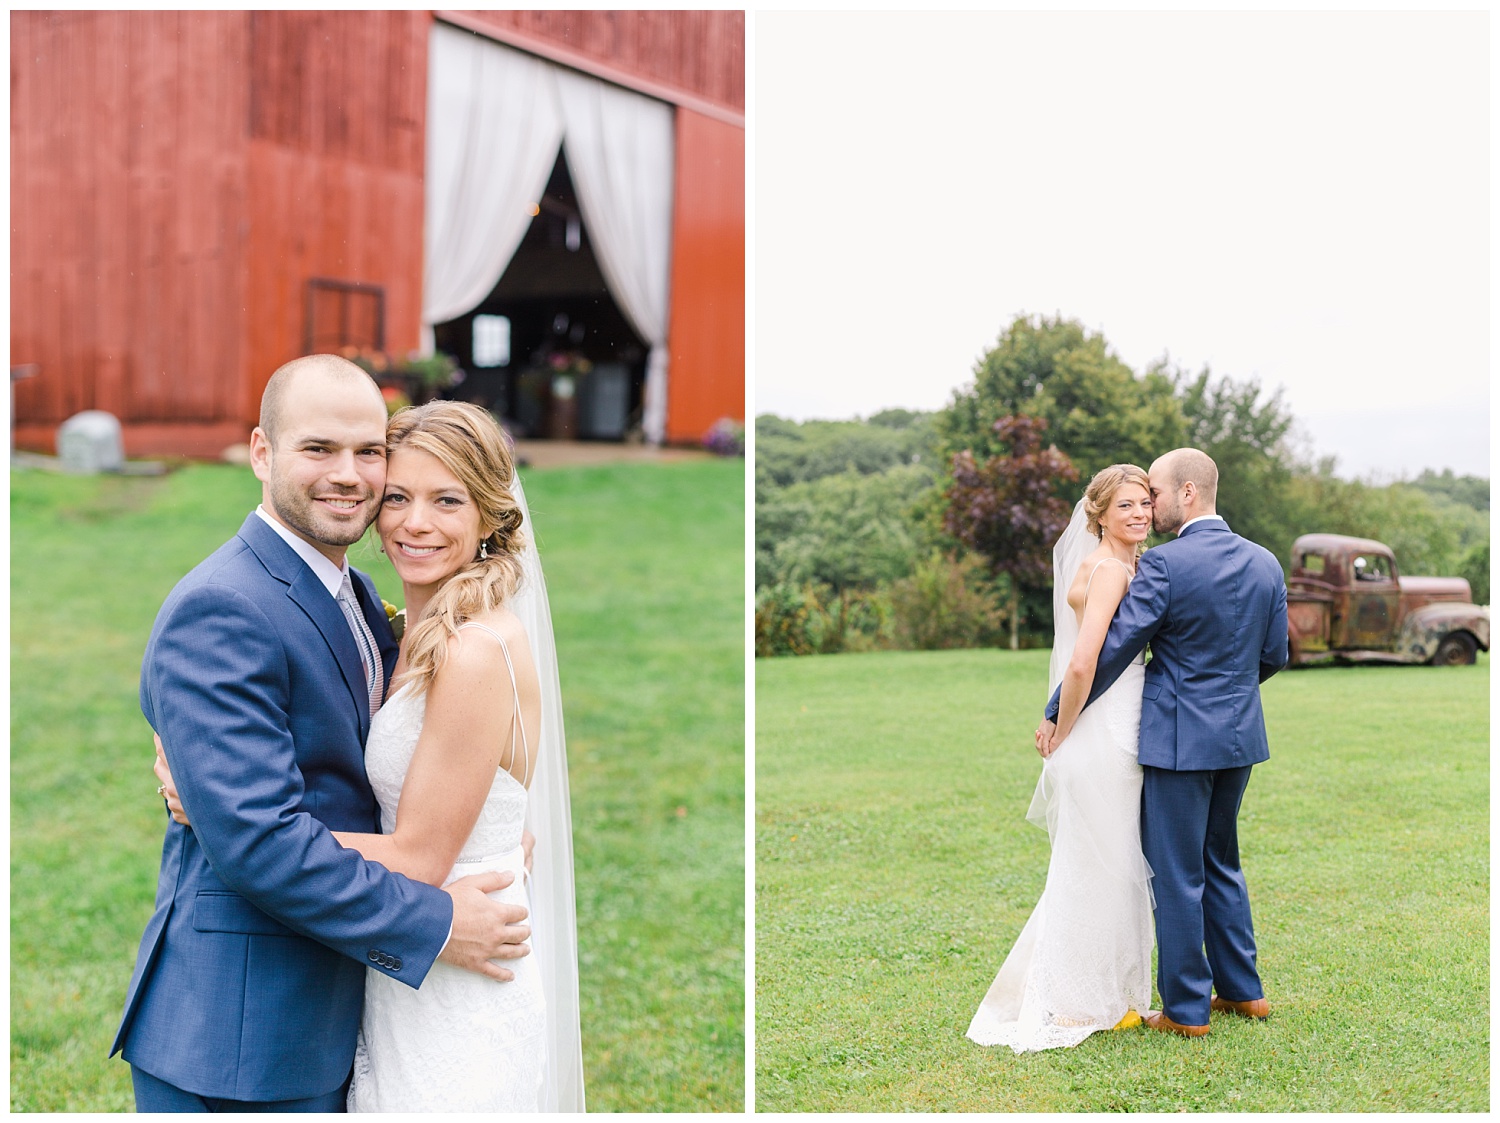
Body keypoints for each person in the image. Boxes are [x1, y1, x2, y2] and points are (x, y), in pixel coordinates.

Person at [114, 356, 534, 1111]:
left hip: (345, 1011)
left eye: (368, 452)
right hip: (243, 1038)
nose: (349, 474)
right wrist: (438, 923)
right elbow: (259, 843)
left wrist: (498, 835)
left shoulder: (365, 600)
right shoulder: (224, 607)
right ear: (261, 453)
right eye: (318, 449)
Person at [334, 399, 583, 1111]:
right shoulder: (407, 630)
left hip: (464, 981)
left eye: (447, 500)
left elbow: (417, 859)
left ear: (489, 518)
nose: (416, 522)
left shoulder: (474, 650)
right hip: (412, 959)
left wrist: (237, 819)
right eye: (399, 498)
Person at [1038, 448, 1288, 1038]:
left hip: (1178, 742)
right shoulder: (1266, 562)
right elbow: (1274, 655)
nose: (1152, 505)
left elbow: (1117, 646)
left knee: (1177, 873)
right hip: (1240, 737)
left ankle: (1185, 1009)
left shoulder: (1166, 566)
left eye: (1157, 493)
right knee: (1221, 861)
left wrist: (1056, 711)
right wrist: (1229, 696)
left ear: (1189, 494)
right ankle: (1244, 993)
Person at [967, 464, 1157, 1052]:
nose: (1140, 514)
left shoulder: (1125, 564)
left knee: (1114, 860)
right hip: (1103, 726)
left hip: (1112, 718)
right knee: (1099, 864)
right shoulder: (1107, 571)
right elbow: (1083, 663)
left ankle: (1117, 996)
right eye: (1125, 505)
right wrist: (1063, 728)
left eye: (1145, 503)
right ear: (1098, 513)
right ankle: (1077, 1003)